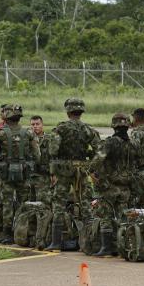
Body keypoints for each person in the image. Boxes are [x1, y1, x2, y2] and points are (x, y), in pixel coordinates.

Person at [45, 98, 101, 251]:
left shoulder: (61, 129)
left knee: (59, 203)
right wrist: (89, 161)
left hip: (63, 171)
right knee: (85, 204)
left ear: (68, 111)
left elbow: (53, 150)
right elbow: (99, 150)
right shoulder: (88, 130)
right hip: (81, 170)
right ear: (81, 112)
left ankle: (56, 243)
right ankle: (91, 241)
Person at [88, 113, 142, 257]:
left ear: (114, 126)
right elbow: (141, 161)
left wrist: (92, 172)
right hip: (126, 187)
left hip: (109, 186)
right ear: (127, 126)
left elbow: (97, 160)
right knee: (122, 217)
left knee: (105, 215)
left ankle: (106, 248)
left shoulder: (110, 143)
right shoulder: (134, 144)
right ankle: (121, 247)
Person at [0, 104, 40, 244]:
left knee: (7, 203)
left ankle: (7, 234)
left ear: (7, 116)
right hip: (23, 172)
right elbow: (37, 154)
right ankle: (23, 231)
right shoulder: (28, 133)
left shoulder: (0, 133)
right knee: (23, 203)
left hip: (5, 173)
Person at [30, 115, 52, 206]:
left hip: (43, 176)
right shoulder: (27, 139)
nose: (35, 126)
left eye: (37, 124)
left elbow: (54, 157)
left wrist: (53, 173)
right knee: (29, 203)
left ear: (42, 125)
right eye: (33, 124)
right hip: (29, 175)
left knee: (43, 203)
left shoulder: (49, 139)